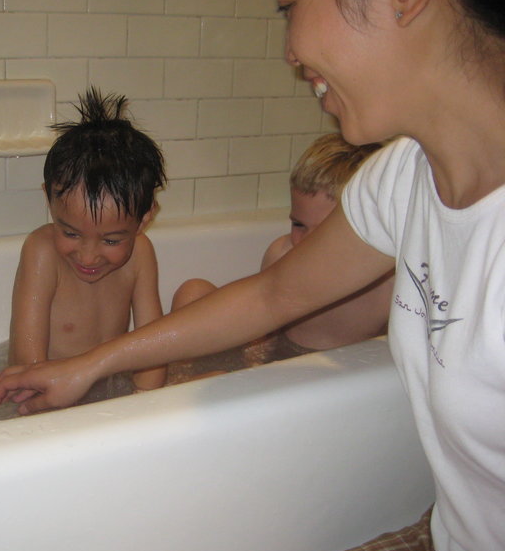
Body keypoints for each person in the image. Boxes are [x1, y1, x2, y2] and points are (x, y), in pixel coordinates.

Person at [0, 0, 505, 551]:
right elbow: (272, 295)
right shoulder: (403, 176)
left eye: (289, 4)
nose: (289, 52)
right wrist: (86, 366)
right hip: (447, 537)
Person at [0, 87, 168, 401]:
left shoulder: (141, 253)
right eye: (70, 233)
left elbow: (153, 346)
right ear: (49, 199)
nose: (88, 255)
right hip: (46, 396)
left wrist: (143, 402)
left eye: (111, 239)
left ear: (145, 217)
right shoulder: (42, 251)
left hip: (109, 390)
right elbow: (27, 365)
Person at [167, 133, 392, 384]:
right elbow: (264, 331)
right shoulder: (281, 253)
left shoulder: (384, 282)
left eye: (324, 232)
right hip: (274, 363)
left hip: (333, 380)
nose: (305, 243)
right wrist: (251, 368)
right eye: (298, 224)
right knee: (193, 291)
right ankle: (177, 385)